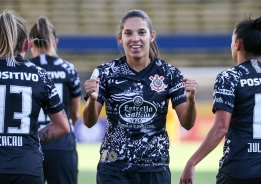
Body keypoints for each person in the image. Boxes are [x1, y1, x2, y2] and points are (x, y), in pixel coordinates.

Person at [83, 9, 198, 184]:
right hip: (113, 168)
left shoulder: (169, 73)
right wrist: (92, 99)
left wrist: (191, 100)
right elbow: (89, 122)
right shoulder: (105, 72)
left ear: (152, 36)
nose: (135, 38)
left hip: (155, 168)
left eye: (141, 32)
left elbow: (187, 124)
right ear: (120, 39)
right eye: (128, 33)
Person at [180, 14, 261, 184]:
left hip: (239, 170)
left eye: (232, 41)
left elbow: (220, 128)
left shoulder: (229, 77)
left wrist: (192, 162)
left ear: (238, 44)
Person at [0, 10, 70, 184]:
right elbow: (63, 127)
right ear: (26, 45)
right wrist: (29, 137)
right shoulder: (40, 75)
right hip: (27, 167)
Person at [29, 16, 81, 184]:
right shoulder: (68, 69)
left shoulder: (24, 69)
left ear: (30, 43)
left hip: (30, 145)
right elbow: (74, 113)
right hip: (62, 145)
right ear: (55, 42)